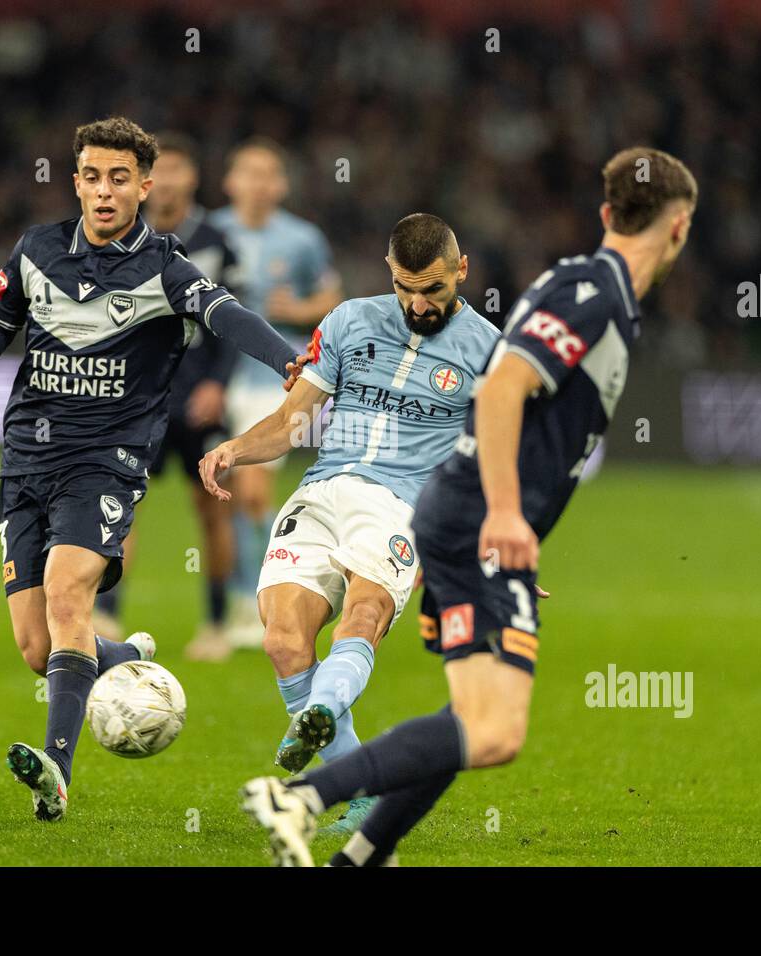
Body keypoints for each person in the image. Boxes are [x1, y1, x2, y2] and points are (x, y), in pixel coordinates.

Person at [239, 147, 698, 865]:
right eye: (404, 287)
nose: (416, 303)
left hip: (453, 517)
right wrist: (507, 520)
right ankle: (304, 796)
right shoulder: (591, 292)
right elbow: (504, 389)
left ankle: (355, 854)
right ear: (679, 229)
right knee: (492, 730)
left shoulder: (595, 296)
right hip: (458, 516)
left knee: (474, 722)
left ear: (609, 213)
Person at [0, 117, 305, 822]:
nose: (104, 192)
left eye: (119, 178)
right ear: (76, 182)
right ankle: (121, 653)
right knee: (36, 645)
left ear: (144, 184)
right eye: (92, 177)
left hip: (105, 460)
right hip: (26, 459)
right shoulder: (37, 248)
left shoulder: (166, 266)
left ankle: (57, 774)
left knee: (69, 599)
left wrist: (285, 358)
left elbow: (228, 317)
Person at [200, 214, 499, 835]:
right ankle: (357, 780)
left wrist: (504, 540)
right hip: (324, 490)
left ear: (461, 270)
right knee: (284, 640)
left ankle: (319, 725)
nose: (418, 304)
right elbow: (289, 422)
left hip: (406, 505)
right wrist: (235, 448)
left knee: (362, 616)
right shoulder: (345, 322)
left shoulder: (489, 352)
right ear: (390, 274)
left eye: (433, 290)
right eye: (405, 288)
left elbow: (497, 460)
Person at [90, 131, 242, 663]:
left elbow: (233, 320)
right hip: (137, 398)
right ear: (148, 182)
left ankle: (218, 622)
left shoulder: (218, 241)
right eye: (162, 171)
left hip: (198, 399)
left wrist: (218, 385)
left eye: (180, 168)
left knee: (213, 509)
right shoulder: (122, 237)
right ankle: (107, 613)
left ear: (192, 178)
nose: (170, 180)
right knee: (119, 508)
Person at [209, 139, 342, 649]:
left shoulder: (303, 238)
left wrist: (304, 306)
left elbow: (332, 299)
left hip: (275, 379)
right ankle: (227, 608)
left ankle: (254, 600)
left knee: (254, 494)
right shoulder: (212, 232)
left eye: (269, 174)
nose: (260, 184)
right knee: (218, 502)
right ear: (231, 181)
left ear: (282, 184)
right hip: (217, 378)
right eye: (250, 173)